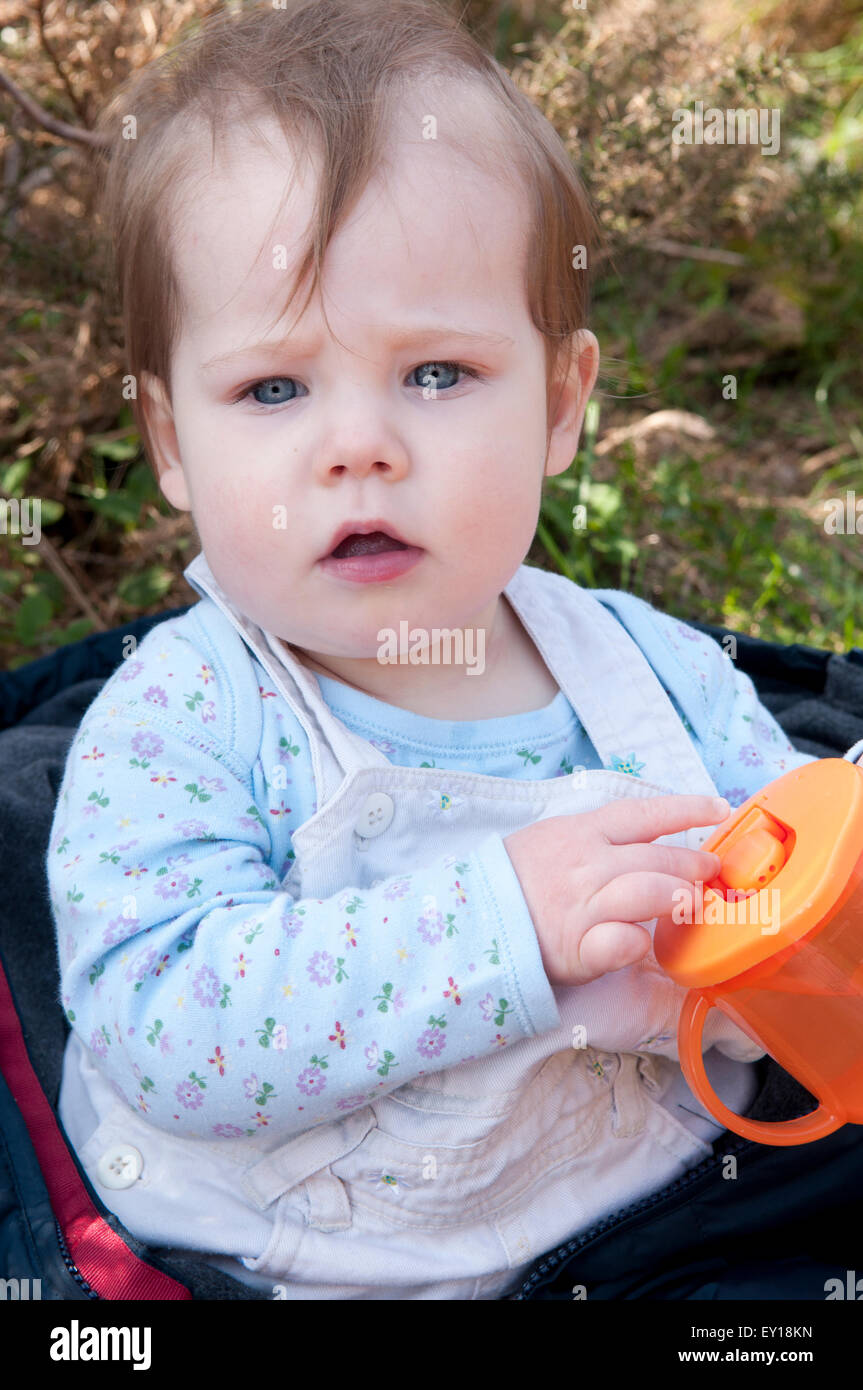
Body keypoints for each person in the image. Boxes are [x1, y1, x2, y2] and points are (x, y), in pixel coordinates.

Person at [47, 0, 814, 1299]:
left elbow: (800, 916)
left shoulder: (654, 678)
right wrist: (503, 922)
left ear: (561, 405)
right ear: (172, 446)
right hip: (288, 1261)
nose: (361, 446)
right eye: (274, 389)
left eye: (440, 374)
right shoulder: (184, 714)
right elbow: (157, 1025)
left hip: (651, 1238)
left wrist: (763, 960)